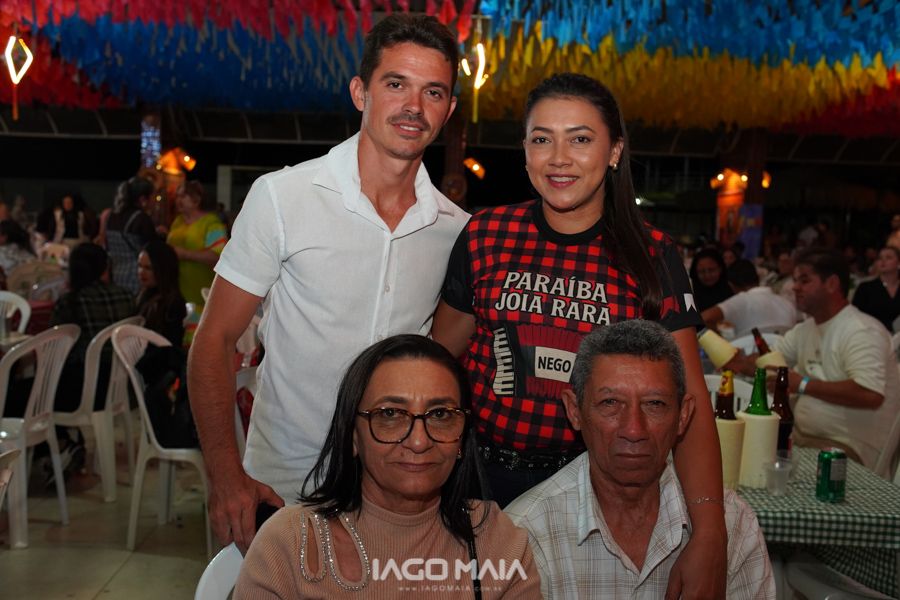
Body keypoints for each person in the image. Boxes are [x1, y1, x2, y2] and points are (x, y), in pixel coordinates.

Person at [432, 73, 726, 598]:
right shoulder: (486, 233)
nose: (558, 158)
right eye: (542, 139)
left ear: (614, 152)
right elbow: (437, 362)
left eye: (580, 139)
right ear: (525, 152)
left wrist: (710, 532)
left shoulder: (652, 254)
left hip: (590, 493)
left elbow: (691, 401)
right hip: (476, 481)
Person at [189, 14, 469, 555]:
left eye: (433, 92)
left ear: (449, 109)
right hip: (281, 487)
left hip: (395, 497)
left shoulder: (453, 229)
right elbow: (214, 341)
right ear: (361, 92)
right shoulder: (283, 197)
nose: (414, 106)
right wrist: (224, 476)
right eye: (396, 84)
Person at [234, 335, 541, 598]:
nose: (418, 441)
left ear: (462, 437)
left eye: (440, 414)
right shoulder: (287, 544)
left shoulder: (496, 540)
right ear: (353, 435)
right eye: (391, 414)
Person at [505, 320, 775, 599]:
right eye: (610, 402)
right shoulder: (526, 534)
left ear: (683, 415)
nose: (634, 430)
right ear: (575, 411)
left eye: (654, 404)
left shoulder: (734, 524)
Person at [727, 248, 900, 477]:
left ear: (832, 284)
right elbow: (767, 361)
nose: (795, 287)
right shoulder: (807, 329)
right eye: (795, 280)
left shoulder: (861, 330)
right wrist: (737, 363)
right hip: (802, 439)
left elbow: (870, 394)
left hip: (847, 452)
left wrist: (803, 384)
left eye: (804, 280)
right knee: (739, 457)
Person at [50, 243, 136, 414]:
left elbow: (54, 350)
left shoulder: (69, 302)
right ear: (104, 267)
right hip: (123, 383)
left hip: (80, 388)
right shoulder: (126, 296)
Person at [165, 181, 226, 308]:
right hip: (176, 290)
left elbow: (219, 257)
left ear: (196, 200)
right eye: (177, 196)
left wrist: (185, 255)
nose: (178, 200)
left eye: (182, 196)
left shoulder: (211, 222)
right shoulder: (178, 221)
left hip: (200, 291)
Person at [701, 259, 797, 336]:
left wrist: (724, 339)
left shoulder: (742, 300)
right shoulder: (787, 304)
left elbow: (705, 318)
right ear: (758, 278)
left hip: (750, 351)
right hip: (784, 353)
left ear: (731, 286)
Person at [103, 176, 160, 297]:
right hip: (137, 279)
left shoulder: (111, 216)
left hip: (115, 276)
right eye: (152, 197)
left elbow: (107, 246)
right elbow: (153, 249)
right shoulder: (140, 219)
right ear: (143, 199)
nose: (154, 200)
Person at [136, 240, 186, 347]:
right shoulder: (144, 295)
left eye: (148, 268)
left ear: (163, 270)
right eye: (140, 266)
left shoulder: (173, 303)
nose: (141, 272)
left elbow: (170, 345)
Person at [852, 246, 900, 333]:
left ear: (898, 262)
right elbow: (855, 315)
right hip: (871, 335)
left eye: (888, 257)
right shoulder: (866, 287)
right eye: (880, 258)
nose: (883, 261)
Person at [689, 248, 733, 312]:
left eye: (712, 270)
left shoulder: (732, 288)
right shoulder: (690, 292)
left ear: (720, 269)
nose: (707, 276)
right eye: (702, 272)